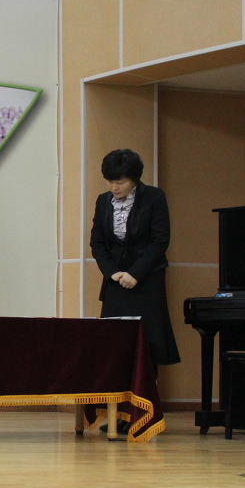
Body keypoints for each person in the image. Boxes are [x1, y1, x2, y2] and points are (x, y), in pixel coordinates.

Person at [90, 148, 180, 431]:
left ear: (135, 179)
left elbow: (159, 241)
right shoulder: (103, 201)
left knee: (147, 347)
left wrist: (135, 274)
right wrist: (112, 272)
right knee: (115, 348)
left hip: (146, 283)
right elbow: (97, 243)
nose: (114, 187)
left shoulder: (154, 197)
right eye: (110, 181)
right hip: (116, 282)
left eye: (120, 182)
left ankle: (142, 415)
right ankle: (117, 414)